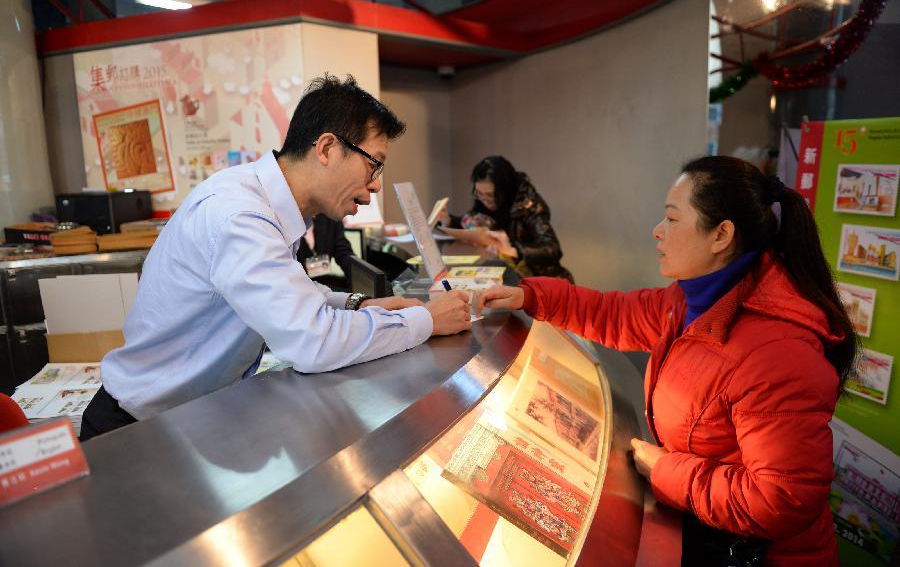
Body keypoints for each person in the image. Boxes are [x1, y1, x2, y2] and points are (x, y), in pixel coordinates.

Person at [474, 156, 854, 566]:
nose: (657, 231)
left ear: (721, 235)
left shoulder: (777, 352)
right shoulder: (695, 298)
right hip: (704, 525)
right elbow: (615, 314)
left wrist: (666, 470)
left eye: (672, 219)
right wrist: (531, 297)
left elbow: (779, 500)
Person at [81, 75, 471, 441]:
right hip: (137, 430)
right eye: (373, 163)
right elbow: (312, 342)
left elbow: (287, 292)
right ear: (327, 148)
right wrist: (425, 319)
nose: (375, 184)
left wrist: (359, 303)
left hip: (186, 418)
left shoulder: (271, 203)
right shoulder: (242, 216)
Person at [439, 156, 573, 281]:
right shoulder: (483, 202)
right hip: (511, 277)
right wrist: (449, 221)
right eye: (479, 193)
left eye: (490, 195)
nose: (485, 200)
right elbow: (472, 225)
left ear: (504, 191)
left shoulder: (529, 205)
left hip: (545, 283)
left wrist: (513, 250)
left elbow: (552, 249)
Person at [297, 213, 356, 291]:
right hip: (298, 291)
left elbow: (344, 253)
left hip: (325, 289)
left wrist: (359, 278)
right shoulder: (283, 222)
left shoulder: (329, 218)